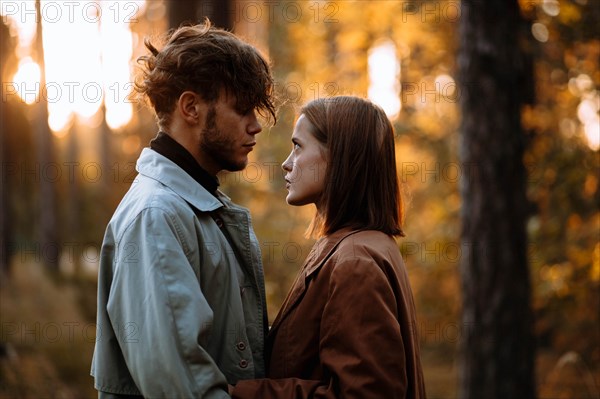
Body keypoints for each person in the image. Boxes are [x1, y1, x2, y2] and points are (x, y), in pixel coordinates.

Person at [91, 20, 276, 398]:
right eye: (242, 109)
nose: (255, 126)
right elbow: (183, 387)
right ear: (190, 107)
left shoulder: (197, 209)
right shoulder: (156, 217)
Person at [231, 96, 426, 398]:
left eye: (298, 146)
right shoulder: (358, 246)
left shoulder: (355, 261)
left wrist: (242, 393)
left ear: (339, 156)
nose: (287, 163)